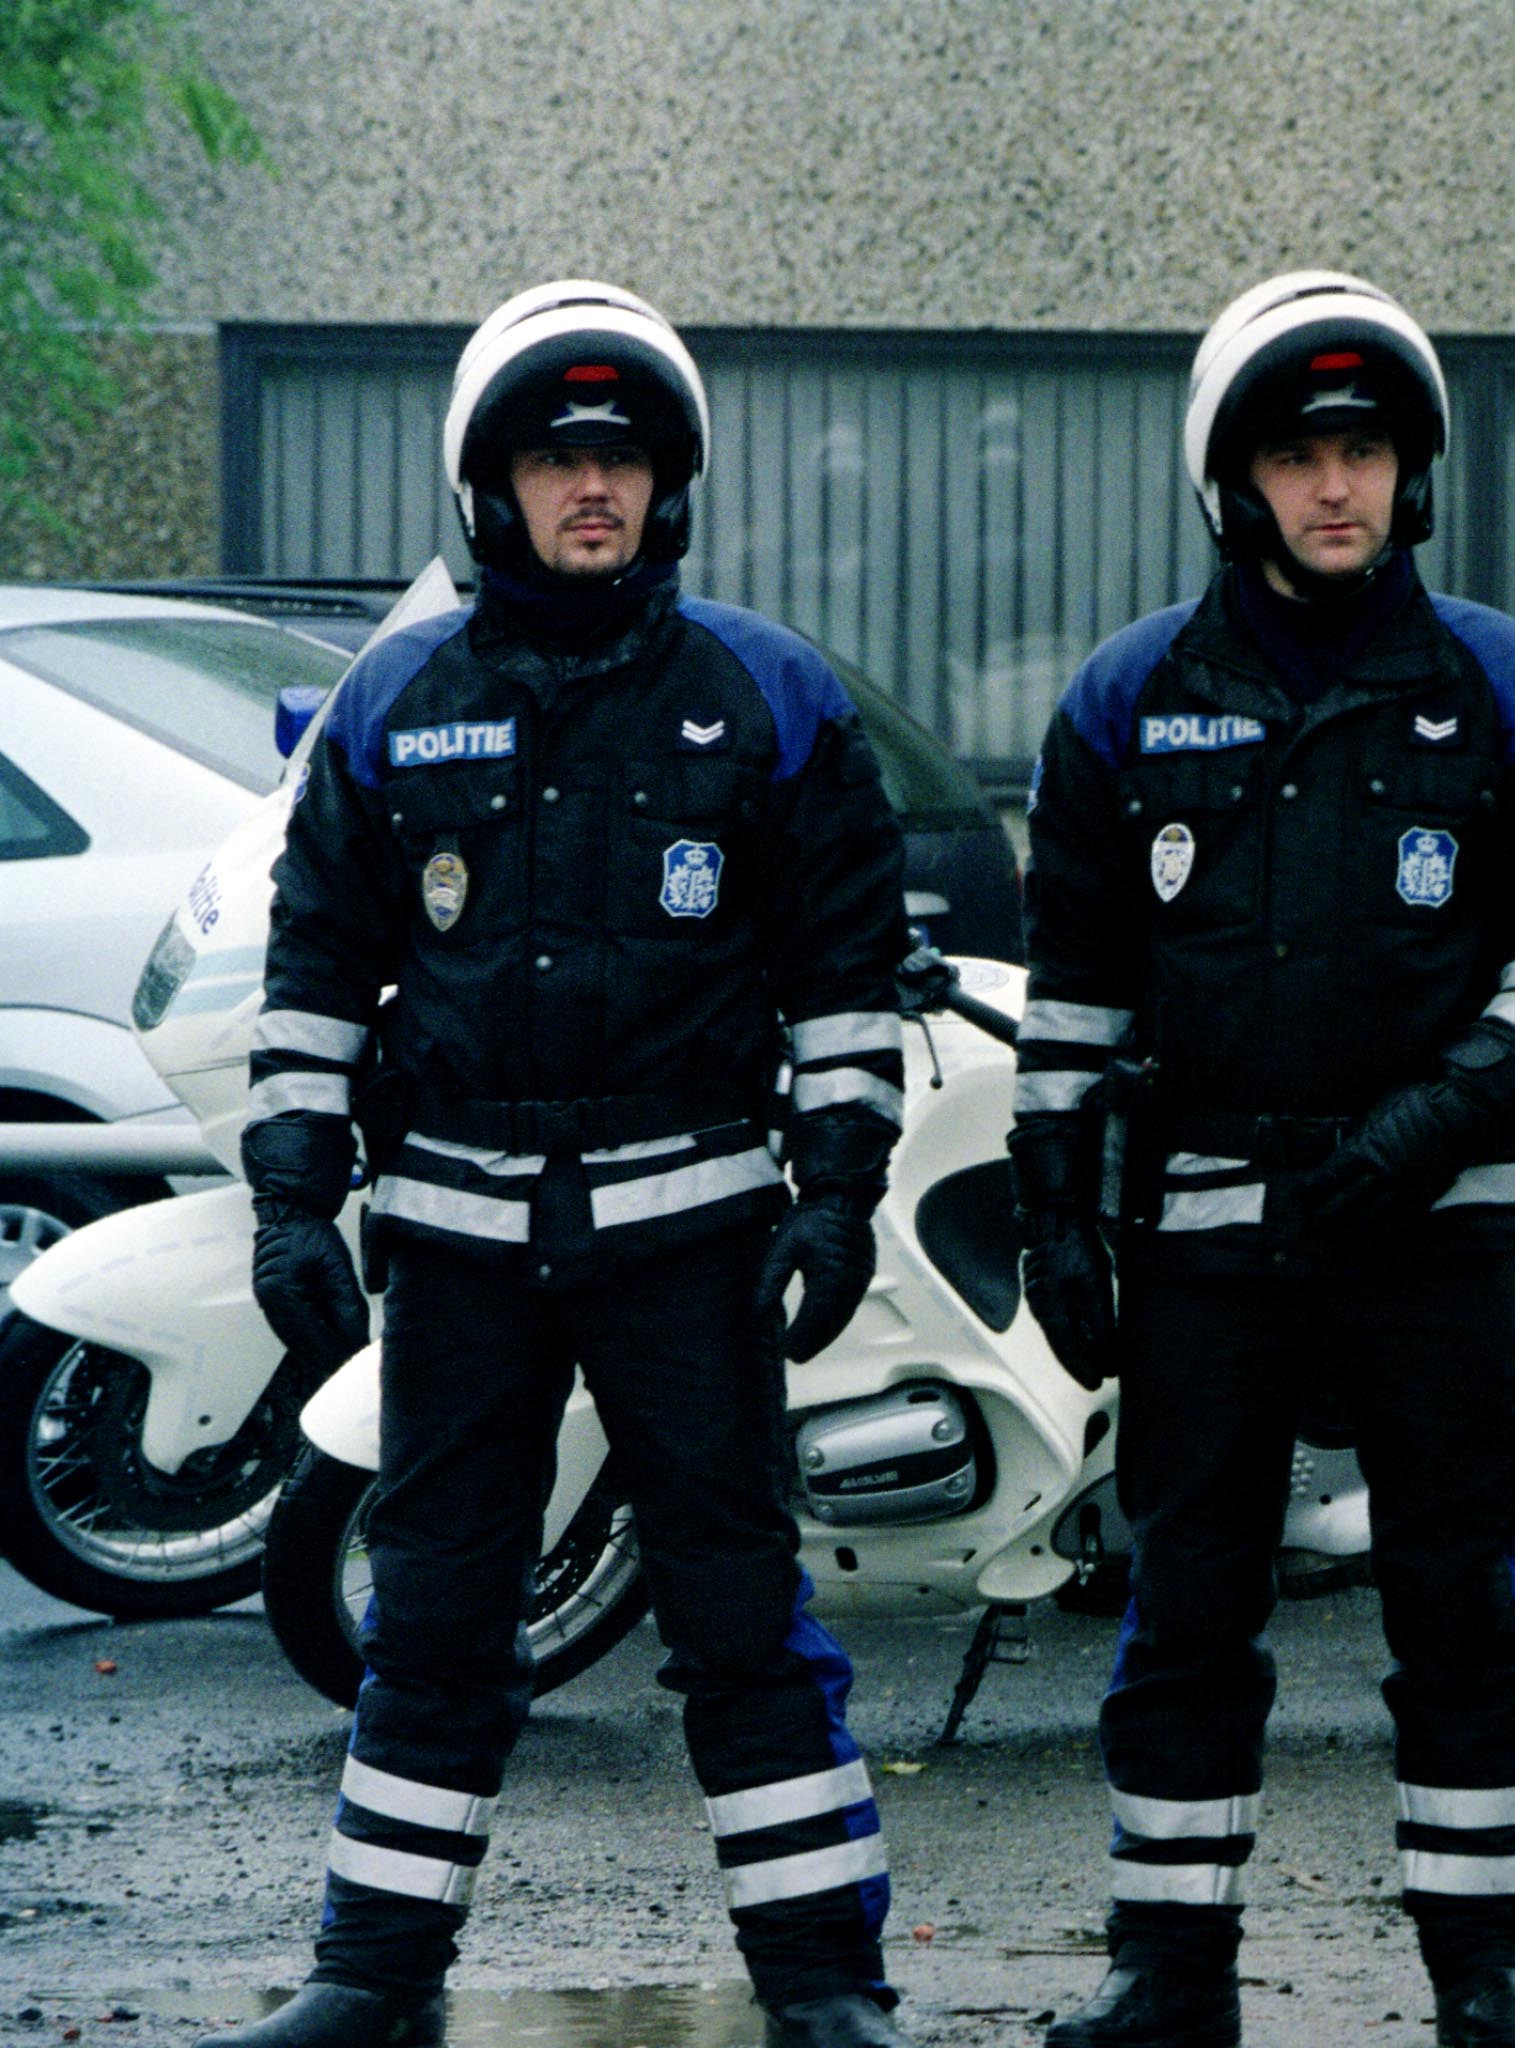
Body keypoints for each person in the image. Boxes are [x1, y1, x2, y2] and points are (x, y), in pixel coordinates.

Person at [213, 281, 916, 2048]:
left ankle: (827, 1993)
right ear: (491, 488)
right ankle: (370, 1985)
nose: (586, 486)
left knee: (743, 1627)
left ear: (664, 486)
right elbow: (310, 980)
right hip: (455, 1255)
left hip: (694, 1246)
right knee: (436, 1620)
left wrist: (839, 1193)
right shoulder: (393, 701)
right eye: (551, 456)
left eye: (616, 457)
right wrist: (291, 1196)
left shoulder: (770, 696)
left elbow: (846, 982)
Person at [1008, 271, 1515, 2048]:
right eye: (1297, 455)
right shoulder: (1127, 699)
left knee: (1463, 1603)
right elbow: (1073, 984)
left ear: (1410, 473)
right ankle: (1169, 1974)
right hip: (1204, 1243)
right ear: (1235, 481)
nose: (1336, 487)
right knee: (1188, 1603)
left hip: (1435, 1233)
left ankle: (1489, 1971)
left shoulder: (1503, 688)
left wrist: (1438, 1119)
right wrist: (1057, 1206)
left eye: (1363, 450)